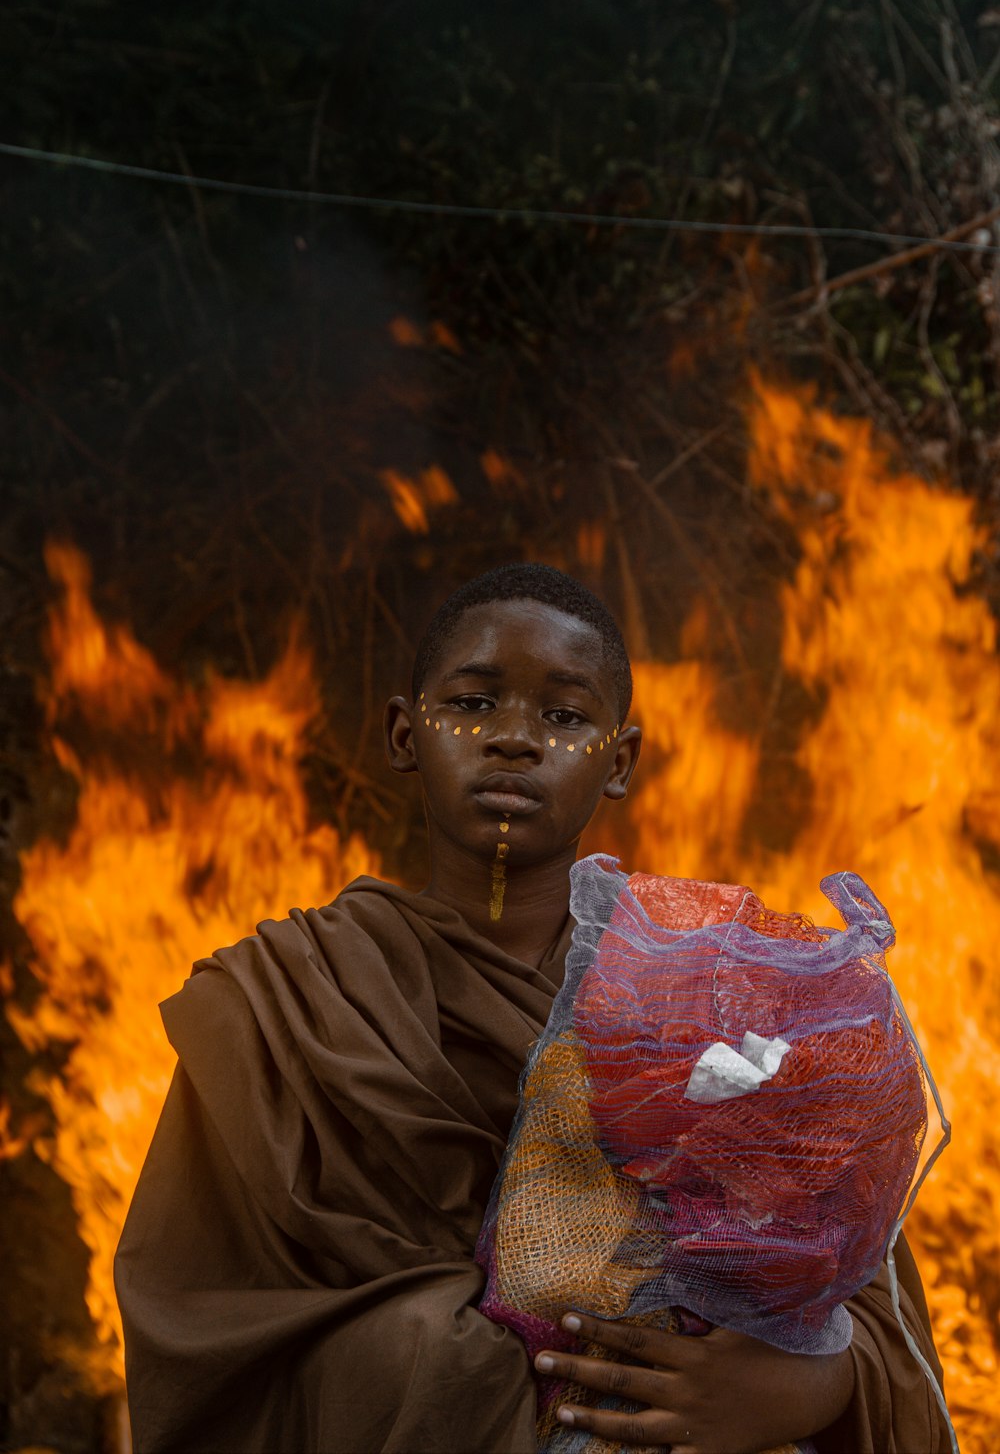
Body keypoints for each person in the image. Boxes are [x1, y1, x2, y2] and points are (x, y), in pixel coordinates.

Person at [115, 563, 951, 1453]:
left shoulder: (720, 986)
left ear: (620, 760)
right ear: (406, 735)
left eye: (563, 716)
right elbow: (201, 1318)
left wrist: (808, 1386)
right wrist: (433, 1359)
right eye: (473, 705)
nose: (513, 739)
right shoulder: (290, 1003)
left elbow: (863, 1300)